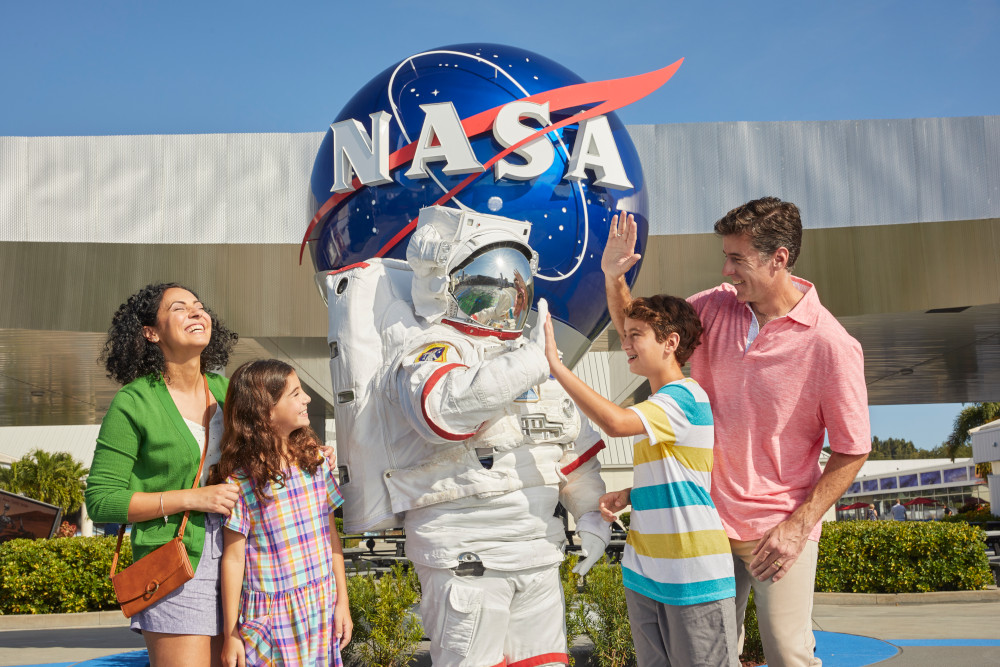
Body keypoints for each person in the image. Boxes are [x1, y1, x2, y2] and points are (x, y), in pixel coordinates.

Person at [330, 206, 610, 667]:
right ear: (446, 284)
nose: (505, 301)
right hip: (468, 559)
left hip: (539, 553)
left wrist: (592, 516)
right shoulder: (430, 347)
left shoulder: (531, 355)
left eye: (514, 283)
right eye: (488, 286)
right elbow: (444, 412)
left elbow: (571, 448)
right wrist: (534, 360)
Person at [604, 198, 871, 667]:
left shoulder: (831, 344)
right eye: (726, 256)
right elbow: (641, 332)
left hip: (775, 529)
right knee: (712, 655)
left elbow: (852, 450)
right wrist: (614, 278)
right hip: (704, 523)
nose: (726, 270)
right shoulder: (713, 308)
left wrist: (798, 525)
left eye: (737, 259)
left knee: (788, 654)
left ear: (779, 259)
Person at [542, 294, 738, 666]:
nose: (626, 344)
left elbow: (615, 424)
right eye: (626, 334)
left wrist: (557, 366)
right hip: (646, 573)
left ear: (671, 343)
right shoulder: (660, 403)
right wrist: (632, 493)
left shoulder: (684, 397)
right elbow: (680, 472)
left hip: (692, 574)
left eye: (636, 335)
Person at [85, 283, 240, 667]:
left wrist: (307, 452)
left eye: (199, 306)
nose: (195, 312)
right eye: (179, 308)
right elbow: (102, 499)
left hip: (243, 554)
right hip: (176, 562)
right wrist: (191, 498)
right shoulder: (134, 402)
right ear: (151, 333)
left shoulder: (229, 392)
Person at [214, 359, 351, 667]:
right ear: (265, 410)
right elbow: (234, 559)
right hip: (272, 620)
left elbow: (331, 536)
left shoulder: (314, 461)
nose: (307, 399)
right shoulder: (241, 482)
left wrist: (343, 602)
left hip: (321, 606)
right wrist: (231, 633)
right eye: (296, 393)